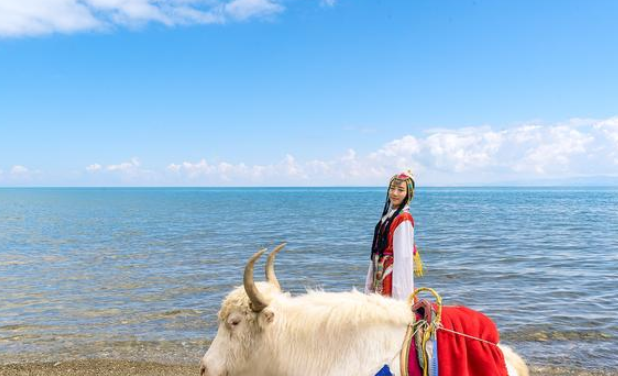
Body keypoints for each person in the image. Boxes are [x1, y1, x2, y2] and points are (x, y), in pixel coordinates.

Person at [365, 170, 423, 300]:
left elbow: (403, 258)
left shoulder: (404, 218)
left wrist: (401, 296)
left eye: (401, 190)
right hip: (381, 269)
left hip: (391, 274)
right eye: (392, 188)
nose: (395, 193)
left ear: (409, 193)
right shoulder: (389, 216)